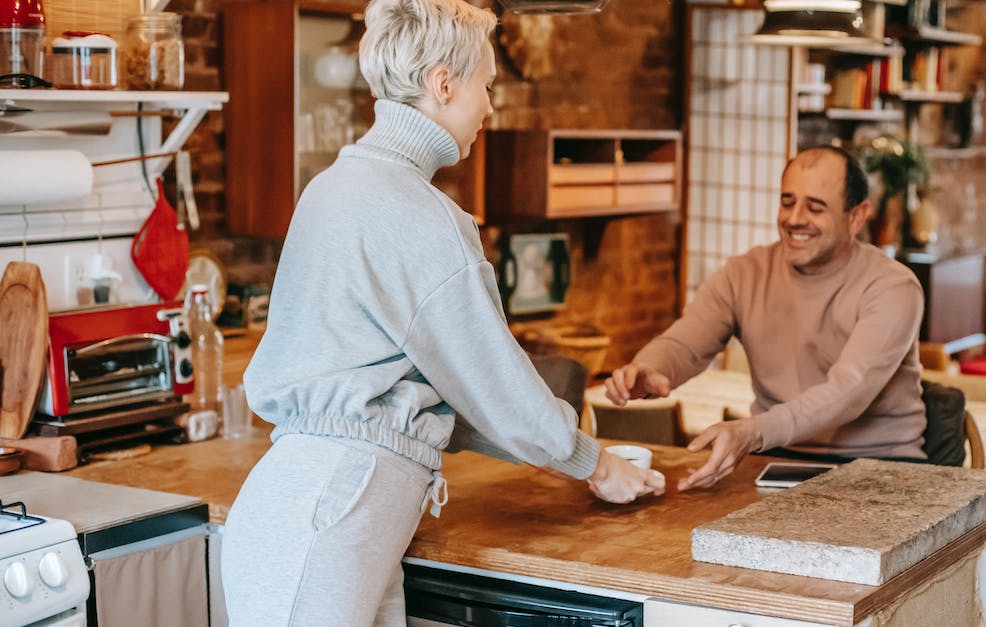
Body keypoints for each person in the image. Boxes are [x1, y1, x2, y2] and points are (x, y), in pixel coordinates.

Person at [221, 1, 664, 624]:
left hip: (309, 507)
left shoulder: (332, 187)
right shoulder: (418, 215)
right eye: (486, 85)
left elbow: (444, 395)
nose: (489, 106)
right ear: (442, 83)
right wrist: (593, 463)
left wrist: (572, 455)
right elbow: (496, 384)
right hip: (334, 510)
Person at [606, 145, 926, 491]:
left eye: (815, 207)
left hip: (881, 465)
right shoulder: (744, 273)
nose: (794, 218)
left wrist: (753, 431)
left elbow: (848, 391)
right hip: (776, 457)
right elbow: (686, 342)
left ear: (857, 216)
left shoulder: (892, 287)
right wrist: (651, 368)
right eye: (787, 202)